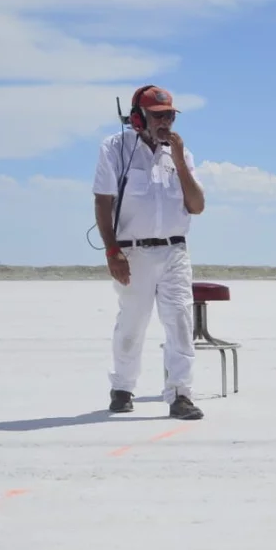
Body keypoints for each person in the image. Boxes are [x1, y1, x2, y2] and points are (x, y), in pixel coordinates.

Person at [93, 85, 206, 420]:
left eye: (170, 115)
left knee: (180, 323)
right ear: (138, 119)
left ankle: (181, 394)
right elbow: (103, 201)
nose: (166, 122)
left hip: (174, 252)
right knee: (132, 323)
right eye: (158, 116)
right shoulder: (115, 148)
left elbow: (197, 206)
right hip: (133, 253)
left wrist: (180, 162)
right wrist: (112, 250)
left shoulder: (180, 153)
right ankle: (123, 387)